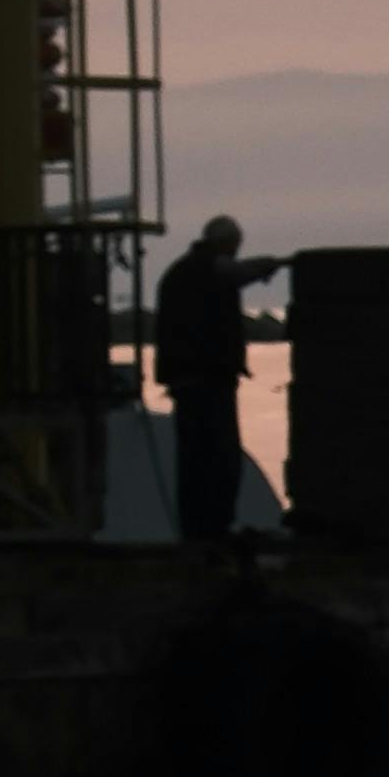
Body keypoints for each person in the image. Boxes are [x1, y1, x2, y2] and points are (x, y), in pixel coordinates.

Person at [149, 215, 284, 542]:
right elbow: (236, 273)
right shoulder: (204, 268)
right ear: (227, 244)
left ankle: (198, 531)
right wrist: (268, 265)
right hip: (206, 381)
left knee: (196, 462)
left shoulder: (182, 271)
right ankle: (212, 529)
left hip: (189, 381)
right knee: (218, 459)